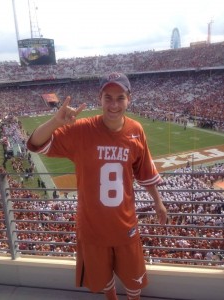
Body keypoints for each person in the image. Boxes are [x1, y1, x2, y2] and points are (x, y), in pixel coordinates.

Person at [27, 72, 167, 300]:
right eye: (108, 97)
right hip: (92, 226)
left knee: (134, 286)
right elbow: (35, 144)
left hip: (125, 224)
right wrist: (55, 121)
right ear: (100, 98)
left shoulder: (136, 130)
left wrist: (158, 203)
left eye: (120, 97)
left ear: (129, 98)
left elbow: (144, 172)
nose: (114, 104)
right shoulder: (81, 129)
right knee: (105, 283)